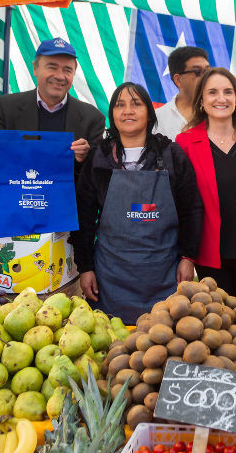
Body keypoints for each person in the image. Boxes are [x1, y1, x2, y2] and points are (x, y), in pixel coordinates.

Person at [73, 82, 204, 323]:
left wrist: (188, 257)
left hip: (163, 273)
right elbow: (84, 215)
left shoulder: (171, 154)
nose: (128, 111)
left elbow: (192, 209)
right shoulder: (99, 156)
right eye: (120, 105)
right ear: (112, 114)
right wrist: (85, 267)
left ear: (149, 113)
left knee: (162, 339)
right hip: (110, 275)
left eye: (136, 104)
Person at [175, 68, 236, 310]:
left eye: (228, 92)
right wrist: (187, 255)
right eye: (213, 92)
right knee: (221, 324)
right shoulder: (185, 142)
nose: (221, 98)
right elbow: (182, 203)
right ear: (201, 101)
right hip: (209, 251)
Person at [0, 37, 105, 179]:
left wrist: (83, 159)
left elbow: (96, 177)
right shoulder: (7, 108)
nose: (60, 76)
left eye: (67, 70)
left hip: (70, 200)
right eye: (52, 67)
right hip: (17, 199)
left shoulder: (93, 118)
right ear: (35, 68)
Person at [155, 46, 210, 140]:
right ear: (178, 80)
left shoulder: (221, 114)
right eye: (198, 72)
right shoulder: (157, 119)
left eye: (208, 71)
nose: (206, 77)